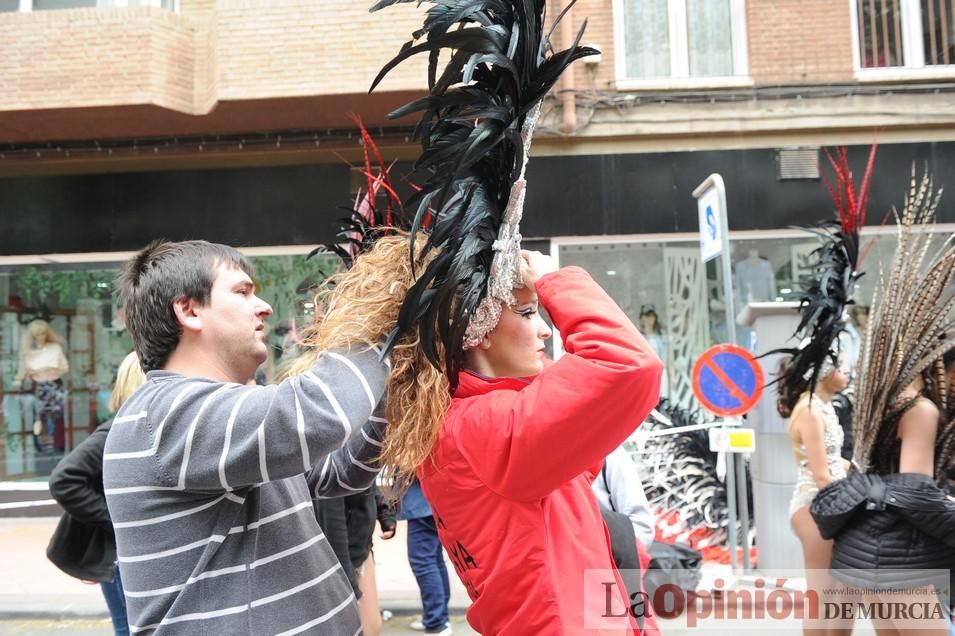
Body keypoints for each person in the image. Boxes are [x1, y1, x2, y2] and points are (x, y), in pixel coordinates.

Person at [102, 240, 391, 635]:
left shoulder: (234, 414)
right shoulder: (165, 412)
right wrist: (385, 318)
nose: (265, 306)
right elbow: (316, 417)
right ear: (189, 310)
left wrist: (397, 382)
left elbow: (342, 473)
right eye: (242, 291)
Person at [812, 164, 955, 635]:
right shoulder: (921, 410)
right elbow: (913, 492)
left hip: (864, 551)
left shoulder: (884, 399)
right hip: (898, 560)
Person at [47, 351, 146, 636]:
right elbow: (64, 479)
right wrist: (115, 520)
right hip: (118, 561)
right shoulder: (114, 432)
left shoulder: (137, 429)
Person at [400, 480, 452, 635]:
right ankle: (440, 617)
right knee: (434, 559)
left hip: (422, 501)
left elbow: (408, 461)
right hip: (433, 498)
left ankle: (436, 621)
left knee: (423, 561)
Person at [15, 319, 69, 452]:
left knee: (58, 416)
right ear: (32, 336)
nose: (40, 337)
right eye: (37, 334)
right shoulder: (29, 352)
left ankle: (59, 445)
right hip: (38, 386)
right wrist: (25, 375)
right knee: (38, 416)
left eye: (43, 333)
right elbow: (24, 373)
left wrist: (45, 369)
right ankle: (38, 446)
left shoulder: (54, 348)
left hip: (54, 384)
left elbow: (64, 368)